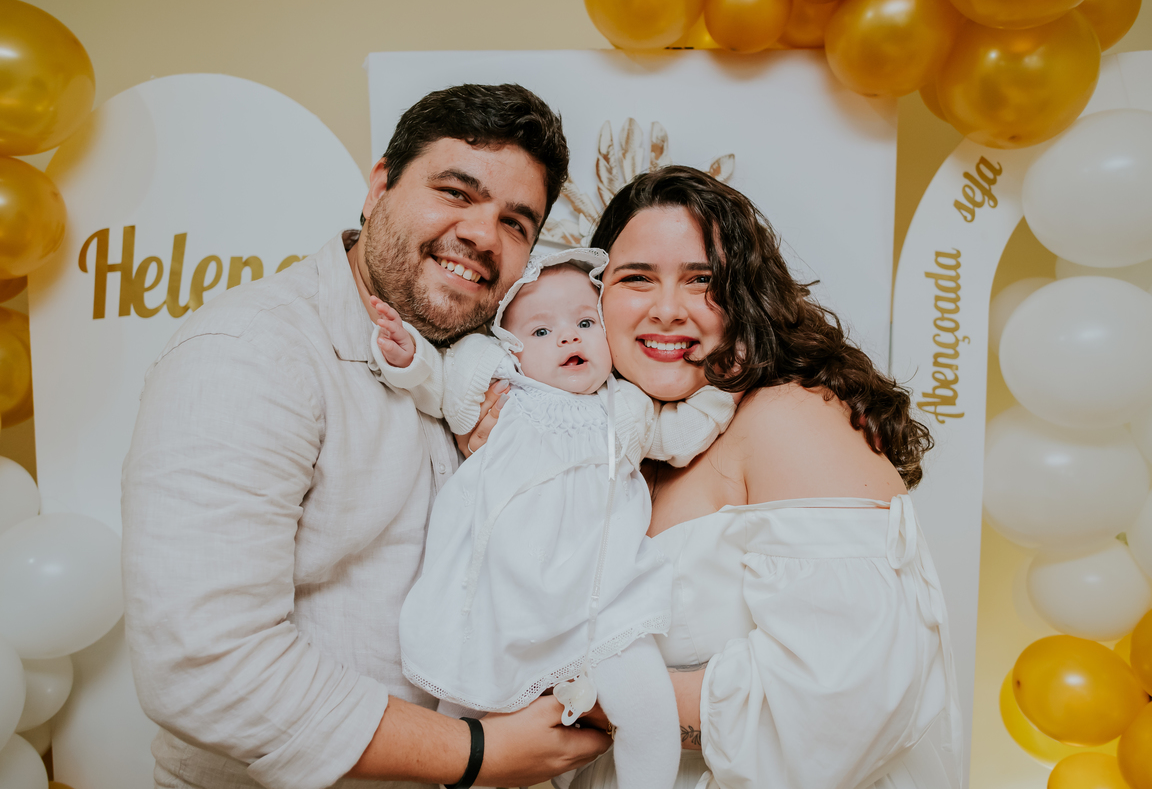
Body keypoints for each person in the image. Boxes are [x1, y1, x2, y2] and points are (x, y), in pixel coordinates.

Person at [121, 83, 613, 789]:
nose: (481, 234)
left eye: (515, 223)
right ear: (379, 186)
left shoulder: (490, 359)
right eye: (455, 192)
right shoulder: (251, 351)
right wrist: (476, 754)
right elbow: (204, 664)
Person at [467, 165, 962, 789]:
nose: (667, 310)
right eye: (637, 278)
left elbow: (846, 699)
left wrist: (580, 698)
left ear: (747, 298)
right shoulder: (620, 445)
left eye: (703, 281)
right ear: (597, 296)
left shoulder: (789, 417)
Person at [371, 248, 740, 789]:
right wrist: (408, 358)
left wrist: (724, 390)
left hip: (604, 599)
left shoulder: (626, 408)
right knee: (467, 710)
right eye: (541, 332)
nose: (569, 338)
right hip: (503, 595)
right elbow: (435, 385)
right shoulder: (499, 389)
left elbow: (680, 438)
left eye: (586, 322)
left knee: (647, 708)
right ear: (512, 350)